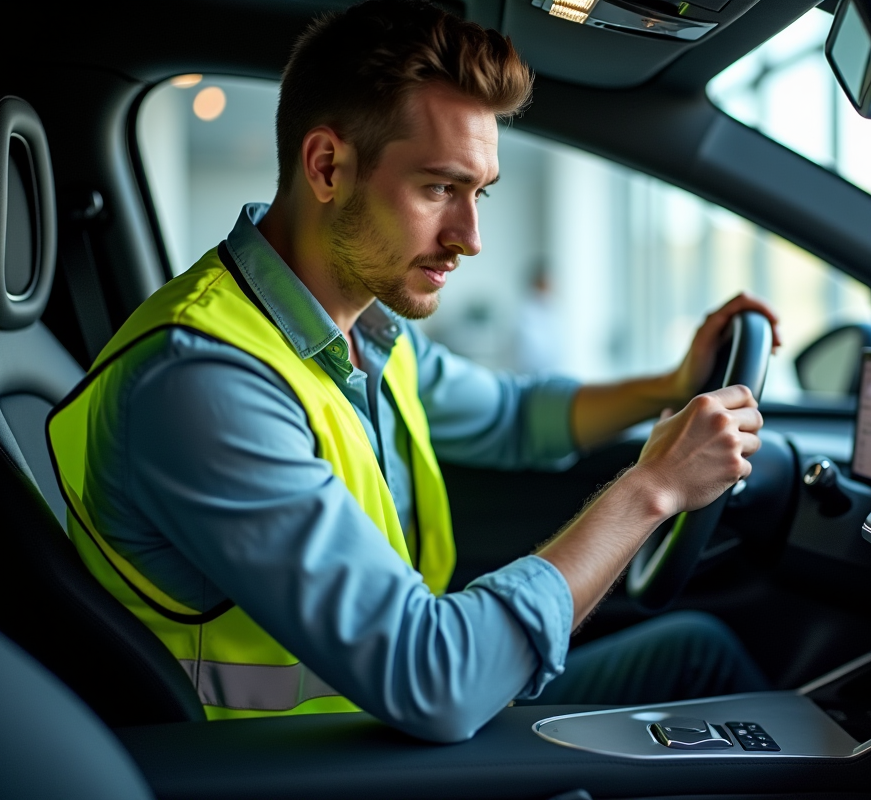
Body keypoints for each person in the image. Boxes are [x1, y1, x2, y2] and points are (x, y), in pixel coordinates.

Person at [48, 0, 782, 742]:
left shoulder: (368, 331)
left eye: (478, 193)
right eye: (439, 188)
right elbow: (434, 680)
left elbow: (513, 418)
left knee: (697, 652)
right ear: (327, 167)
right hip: (309, 762)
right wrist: (652, 489)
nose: (471, 237)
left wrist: (669, 385)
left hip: (386, 728)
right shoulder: (205, 381)